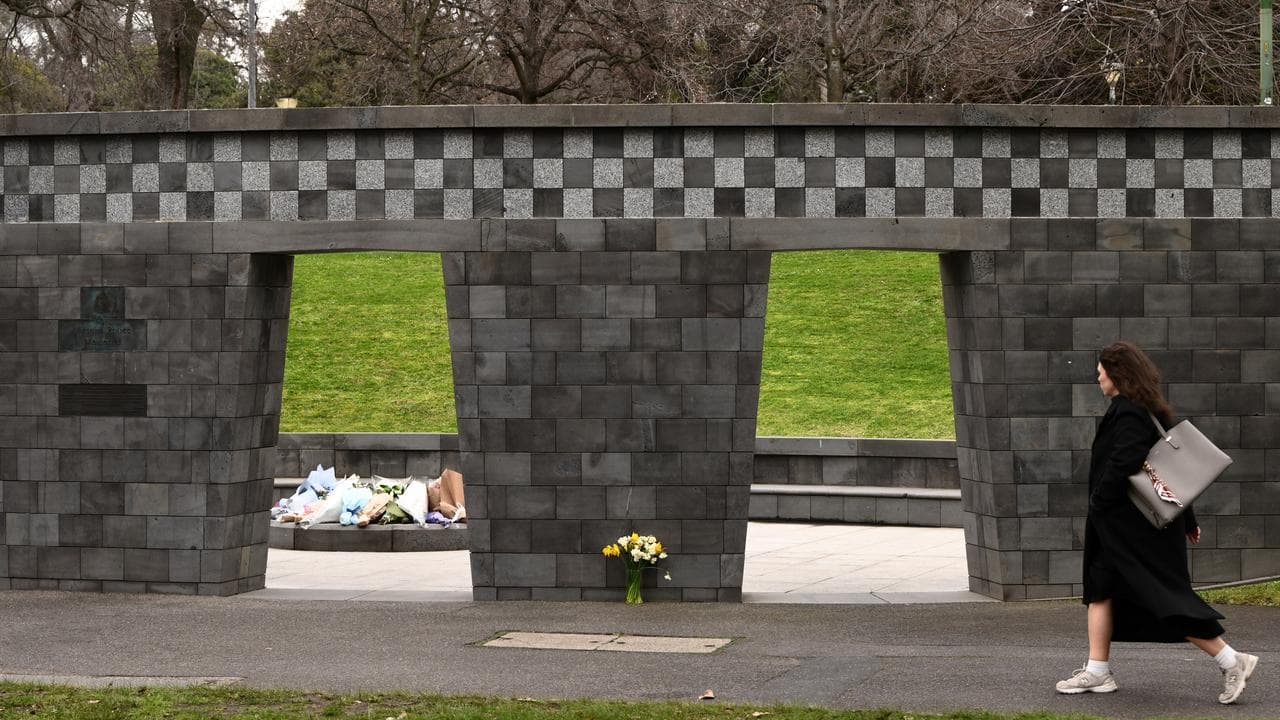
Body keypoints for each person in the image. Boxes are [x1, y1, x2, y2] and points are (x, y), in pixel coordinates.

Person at [1056, 341, 1258, 704]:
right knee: (1100, 588)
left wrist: (1098, 501)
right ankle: (1098, 671)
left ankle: (1233, 660)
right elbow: (1167, 473)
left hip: (1134, 530)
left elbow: (1128, 461)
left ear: (1117, 373)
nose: (1097, 374)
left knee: (1160, 598)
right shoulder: (1139, 408)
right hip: (1118, 527)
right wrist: (1187, 518)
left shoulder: (1131, 412)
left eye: (1101, 368)